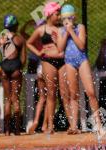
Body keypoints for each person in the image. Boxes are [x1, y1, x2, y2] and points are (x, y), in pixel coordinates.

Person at [58, 4, 103, 134]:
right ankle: (73, 126)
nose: (67, 20)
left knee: (90, 92)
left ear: (74, 17)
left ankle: (98, 123)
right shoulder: (61, 31)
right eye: (64, 18)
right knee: (73, 94)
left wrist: (72, 31)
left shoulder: (80, 27)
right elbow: (60, 48)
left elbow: (82, 46)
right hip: (69, 62)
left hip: (82, 60)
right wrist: (67, 32)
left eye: (69, 18)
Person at [26, 2, 66, 134]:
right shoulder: (41, 30)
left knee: (64, 93)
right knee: (51, 93)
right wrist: (38, 53)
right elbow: (29, 43)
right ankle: (50, 125)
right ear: (49, 14)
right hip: (48, 61)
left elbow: (63, 47)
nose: (59, 16)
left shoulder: (61, 28)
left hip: (62, 61)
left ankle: (69, 124)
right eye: (57, 13)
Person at [0, 14, 26, 134]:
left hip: (4, 67)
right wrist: (19, 69)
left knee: (7, 99)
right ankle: (17, 129)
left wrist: (0, 67)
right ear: (16, 26)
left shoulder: (1, 38)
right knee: (16, 99)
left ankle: (7, 130)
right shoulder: (20, 39)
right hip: (15, 68)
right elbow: (23, 59)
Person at [21, 17, 46, 133]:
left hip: (38, 65)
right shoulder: (45, 39)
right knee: (44, 96)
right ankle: (42, 122)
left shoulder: (35, 38)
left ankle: (37, 120)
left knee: (40, 97)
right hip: (40, 64)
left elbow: (21, 32)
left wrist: (27, 24)